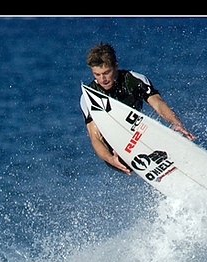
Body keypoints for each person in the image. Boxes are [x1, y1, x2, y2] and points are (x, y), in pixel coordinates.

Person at [80, 43, 196, 175]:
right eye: (97, 74)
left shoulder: (134, 80)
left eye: (106, 73)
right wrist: (110, 159)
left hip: (139, 133)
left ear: (116, 66)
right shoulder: (89, 98)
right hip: (114, 152)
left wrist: (176, 123)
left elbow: (158, 104)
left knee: (175, 144)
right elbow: (95, 137)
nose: (103, 79)